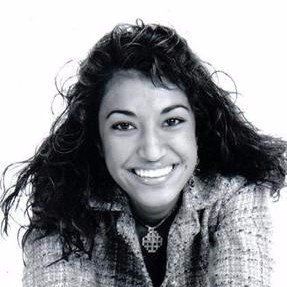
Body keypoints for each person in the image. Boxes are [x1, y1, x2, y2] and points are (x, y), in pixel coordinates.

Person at [1, 20, 286, 287]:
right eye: (124, 125)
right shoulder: (62, 197)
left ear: (198, 130)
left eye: (172, 121)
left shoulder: (236, 192)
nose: (151, 151)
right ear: (98, 139)